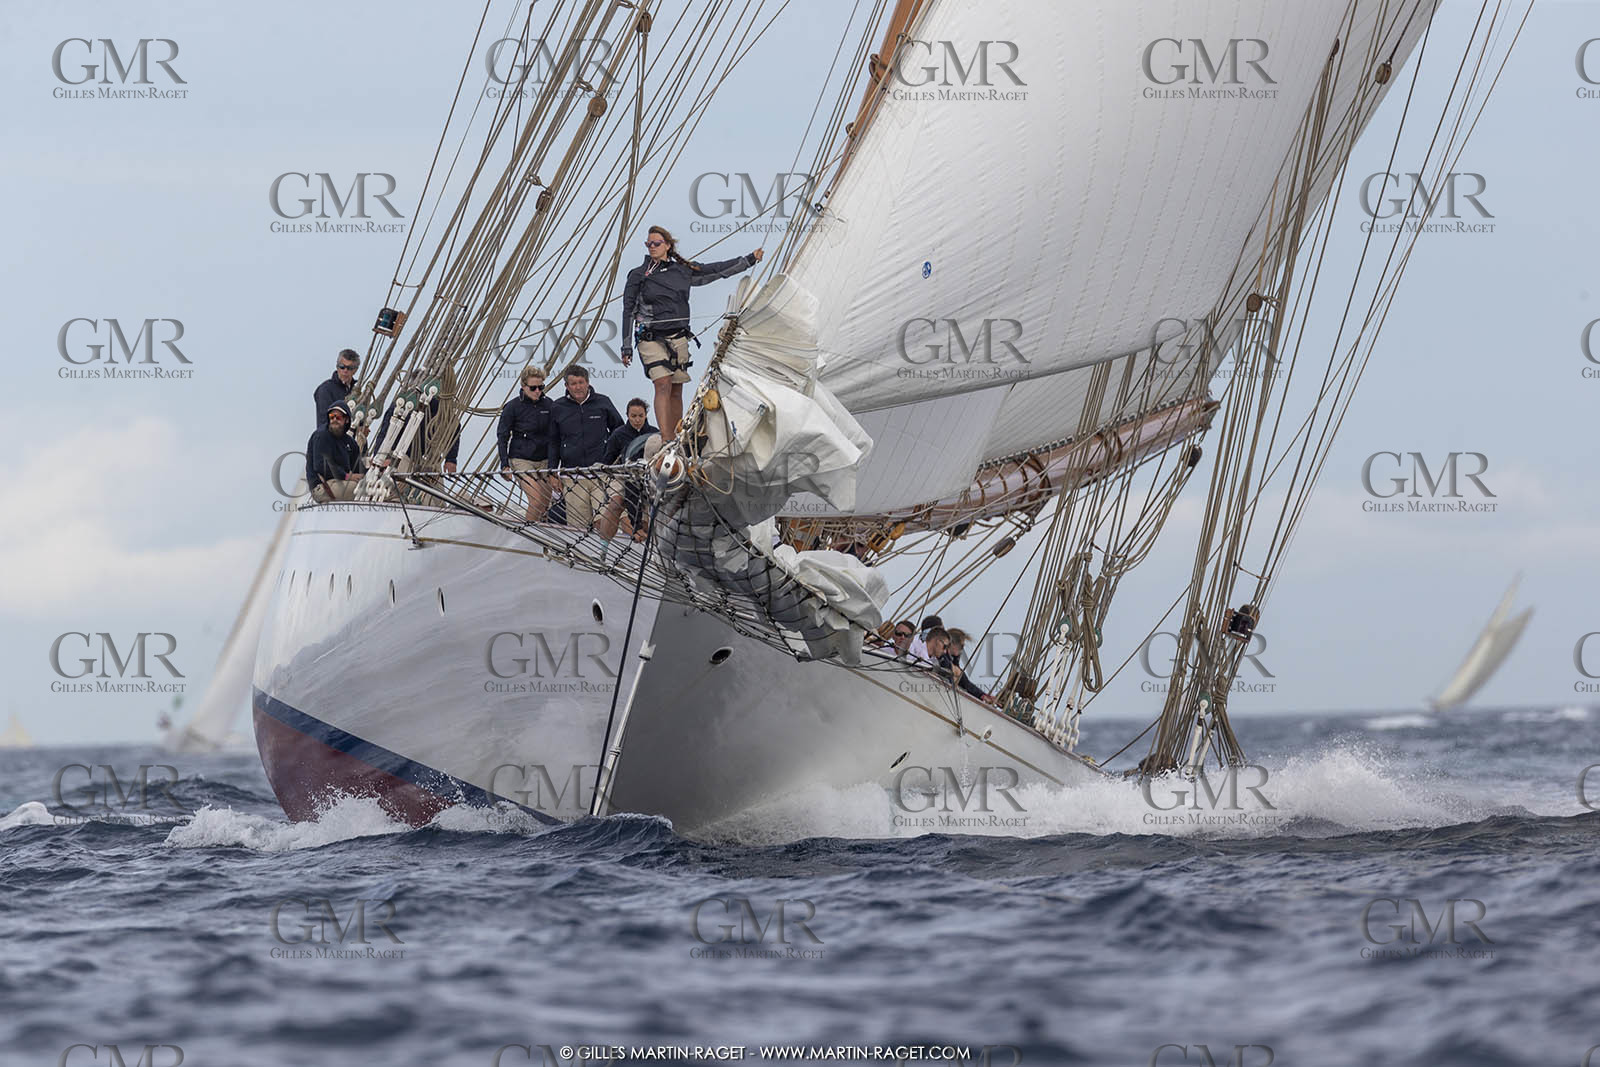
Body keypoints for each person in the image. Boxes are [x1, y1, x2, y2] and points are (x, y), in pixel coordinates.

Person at [619, 225, 763, 436]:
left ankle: (677, 439)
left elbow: (716, 270)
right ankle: (666, 440)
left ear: (667, 245)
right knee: (663, 383)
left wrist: (748, 260)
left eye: (656, 243)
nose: (652, 247)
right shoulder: (639, 275)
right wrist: (625, 346)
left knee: (677, 389)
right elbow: (628, 310)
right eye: (648, 244)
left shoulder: (682, 271)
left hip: (678, 338)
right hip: (650, 338)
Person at [548, 365, 623, 530]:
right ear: (567, 386)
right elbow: (553, 441)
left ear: (588, 383)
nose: (578, 387)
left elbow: (619, 431)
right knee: (578, 528)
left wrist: (612, 458)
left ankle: (604, 553)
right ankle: (580, 556)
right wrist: (552, 472)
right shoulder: (558, 407)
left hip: (600, 473)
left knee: (604, 521)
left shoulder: (603, 402)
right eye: (573, 383)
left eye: (581, 382)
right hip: (572, 476)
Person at [595, 399, 659, 551]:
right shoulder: (619, 434)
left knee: (649, 512)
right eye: (633, 416)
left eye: (640, 416)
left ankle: (648, 549)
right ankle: (603, 547)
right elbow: (608, 460)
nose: (637, 420)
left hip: (646, 477)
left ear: (646, 415)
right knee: (617, 502)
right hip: (622, 474)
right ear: (627, 416)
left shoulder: (654, 434)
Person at [497, 365, 556, 522]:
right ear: (523, 387)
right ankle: (527, 536)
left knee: (544, 504)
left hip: (544, 460)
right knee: (536, 501)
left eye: (541, 387)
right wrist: (504, 465)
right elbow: (502, 437)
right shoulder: (512, 407)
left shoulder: (549, 405)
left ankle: (541, 540)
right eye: (533, 388)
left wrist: (553, 466)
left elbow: (555, 436)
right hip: (521, 459)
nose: (538, 391)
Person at [305, 400, 364, 502]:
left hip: (340, 482)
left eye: (339, 417)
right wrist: (346, 476)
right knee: (361, 489)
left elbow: (358, 468)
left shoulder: (350, 443)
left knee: (372, 486)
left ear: (346, 419)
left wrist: (377, 470)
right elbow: (320, 466)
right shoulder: (321, 436)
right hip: (322, 487)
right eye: (332, 416)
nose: (334, 419)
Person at [943, 629, 996, 705]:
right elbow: (960, 677)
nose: (962, 649)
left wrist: (982, 695)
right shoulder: (942, 655)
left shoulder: (953, 658)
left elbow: (964, 681)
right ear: (952, 644)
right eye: (961, 646)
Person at [313, 349, 359, 429]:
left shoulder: (356, 392)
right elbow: (325, 422)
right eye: (342, 367)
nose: (345, 371)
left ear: (355, 370)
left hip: (352, 440)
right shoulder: (325, 390)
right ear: (337, 367)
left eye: (349, 368)